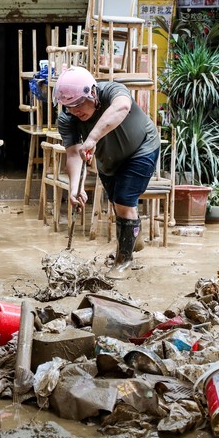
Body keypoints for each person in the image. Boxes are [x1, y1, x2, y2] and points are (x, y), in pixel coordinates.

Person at [53, 66, 160, 279]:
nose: (74, 110)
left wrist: (92, 138)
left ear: (92, 93)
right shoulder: (67, 119)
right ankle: (133, 237)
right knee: (116, 201)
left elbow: (122, 106)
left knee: (123, 201)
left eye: (78, 103)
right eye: (68, 106)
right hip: (109, 158)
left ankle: (124, 261)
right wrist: (75, 188)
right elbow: (73, 154)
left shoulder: (112, 91)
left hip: (142, 147)